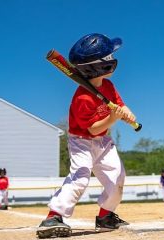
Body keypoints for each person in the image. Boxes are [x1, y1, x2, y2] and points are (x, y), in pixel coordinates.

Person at [37, 33, 136, 238]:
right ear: (99, 66)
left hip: (104, 141)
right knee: (80, 178)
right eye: (108, 57)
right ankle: (53, 216)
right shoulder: (82, 97)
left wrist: (127, 112)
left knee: (117, 176)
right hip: (81, 142)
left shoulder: (107, 86)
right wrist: (113, 119)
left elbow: (119, 103)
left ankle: (106, 216)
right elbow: (92, 129)